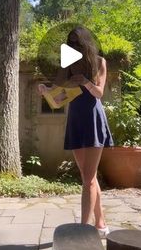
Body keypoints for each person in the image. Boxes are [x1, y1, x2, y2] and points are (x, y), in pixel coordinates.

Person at [38, 26, 114, 238]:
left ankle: (83, 231)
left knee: (88, 180)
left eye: (77, 42)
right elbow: (58, 99)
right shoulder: (68, 66)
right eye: (70, 43)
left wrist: (86, 82)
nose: (74, 46)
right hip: (76, 120)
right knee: (87, 177)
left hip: (92, 120)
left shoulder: (100, 62)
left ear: (87, 42)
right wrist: (46, 91)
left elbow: (98, 93)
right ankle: (100, 223)